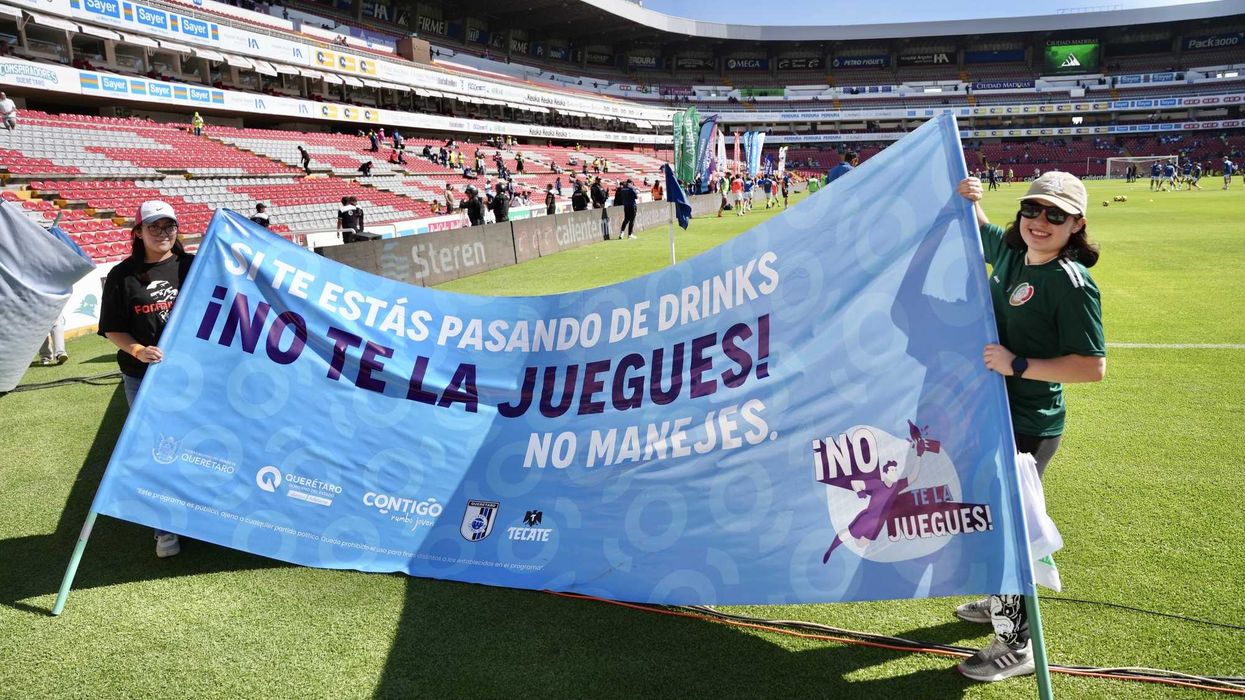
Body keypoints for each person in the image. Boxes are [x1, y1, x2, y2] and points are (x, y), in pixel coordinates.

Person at [954, 172, 1106, 682]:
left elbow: (1091, 367)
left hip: (1029, 423)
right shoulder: (1014, 251)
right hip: (992, 410)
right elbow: (979, 227)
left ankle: (1015, 645)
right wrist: (973, 197)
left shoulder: (1071, 284)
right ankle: (1002, 602)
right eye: (1033, 209)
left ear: (1076, 224)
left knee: (1007, 526)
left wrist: (1016, 365)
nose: (1041, 221)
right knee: (989, 515)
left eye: (1055, 215)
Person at [98, 200, 195, 559]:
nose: (162, 232)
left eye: (169, 225)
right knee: (159, 452)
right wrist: (138, 350)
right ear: (138, 232)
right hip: (144, 378)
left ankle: (204, 517)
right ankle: (165, 529)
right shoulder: (122, 275)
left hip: (195, 376)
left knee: (200, 445)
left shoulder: (193, 266)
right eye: (153, 226)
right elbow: (112, 328)